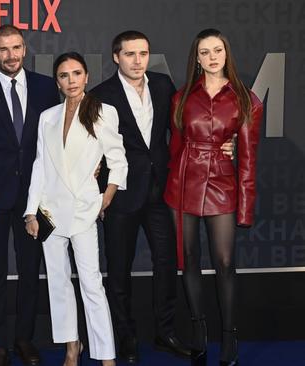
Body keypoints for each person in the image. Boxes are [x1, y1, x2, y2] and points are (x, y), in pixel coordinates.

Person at [91, 31, 234, 363]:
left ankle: (165, 333)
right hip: (121, 195)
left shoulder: (163, 85)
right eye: (130, 54)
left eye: (143, 53)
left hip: (162, 192)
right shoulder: (100, 95)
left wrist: (229, 144)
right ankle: (125, 340)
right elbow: (90, 147)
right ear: (116, 57)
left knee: (167, 265)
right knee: (119, 270)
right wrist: (98, 190)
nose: (137, 60)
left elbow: (189, 129)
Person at [0, 24, 59, 366]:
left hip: (35, 199)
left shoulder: (48, 88)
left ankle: (25, 339)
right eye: (3, 49)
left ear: (25, 48)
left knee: (32, 271)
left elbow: (57, 144)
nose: (10, 55)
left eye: (16, 48)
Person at [165, 28, 262, 366]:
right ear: (197, 57)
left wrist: (245, 210)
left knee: (224, 263)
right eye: (204, 52)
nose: (211, 57)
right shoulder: (181, 98)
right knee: (188, 260)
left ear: (226, 53)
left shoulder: (246, 99)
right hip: (183, 184)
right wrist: (172, 187)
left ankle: (230, 335)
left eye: (217, 50)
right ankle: (198, 330)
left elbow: (249, 159)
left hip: (222, 185)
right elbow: (175, 147)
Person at [24, 52, 122, 366]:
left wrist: (105, 196)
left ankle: (106, 356)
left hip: (83, 211)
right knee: (58, 282)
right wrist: (30, 211)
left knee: (92, 283)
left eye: (76, 74)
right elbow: (40, 165)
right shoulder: (47, 117)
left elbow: (117, 160)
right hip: (49, 213)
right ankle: (71, 346)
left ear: (87, 76)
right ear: (57, 81)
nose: (71, 81)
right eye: (64, 75)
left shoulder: (103, 112)